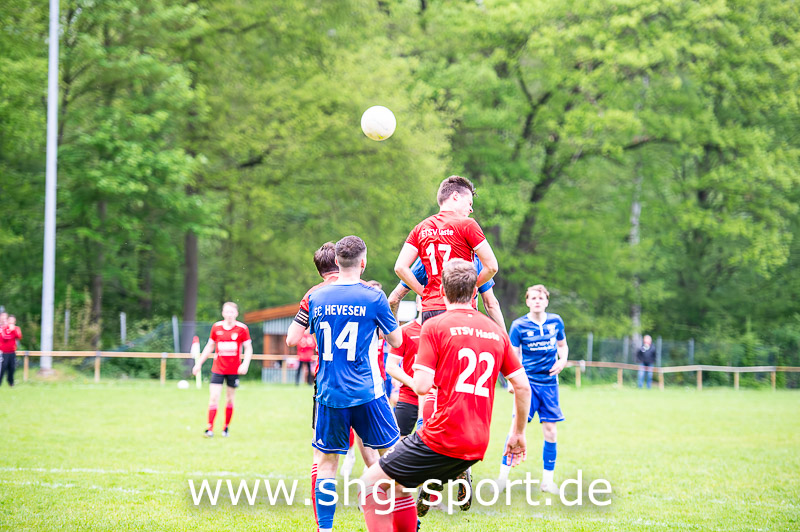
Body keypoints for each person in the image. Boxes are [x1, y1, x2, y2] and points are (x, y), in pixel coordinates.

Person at [359, 260, 532, 531]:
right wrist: (517, 433)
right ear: (475, 292)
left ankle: (434, 486)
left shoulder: (434, 326)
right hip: (477, 443)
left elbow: (421, 386)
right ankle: (446, 482)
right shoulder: (497, 332)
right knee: (399, 485)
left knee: (370, 483)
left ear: (441, 291)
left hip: (441, 436)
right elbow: (522, 386)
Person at [308, 235, 403, 532]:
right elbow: (396, 341)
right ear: (364, 263)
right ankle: (395, 519)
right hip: (367, 391)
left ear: (336, 261)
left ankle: (325, 529)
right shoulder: (373, 297)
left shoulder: (317, 297)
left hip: (329, 393)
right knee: (394, 459)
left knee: (327, 464)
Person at [394, 175, 499, 324]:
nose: (471, 209)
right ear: (455, 196)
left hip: (430, 308)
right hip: (460, 306)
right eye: (469, 203)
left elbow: (400, 267)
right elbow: (492, 267)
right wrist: (470, 287)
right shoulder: (467, 225)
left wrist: (424, 293)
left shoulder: (420, 227)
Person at [497, 284, 568, 495]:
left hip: (550, 385)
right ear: (527, 301)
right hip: (527, 385)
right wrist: (513, 382)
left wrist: (562, 361)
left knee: (551, 431)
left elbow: (562, 346)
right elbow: (513, 355)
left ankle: (547, 482)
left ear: (546, 301)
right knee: (515, 429)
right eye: (533, 298)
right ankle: (502, 479)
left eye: (541, 298)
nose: (537, 301)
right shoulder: (519, 325)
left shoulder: (556, 321)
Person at [388, 255, 505, 329]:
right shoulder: (474, 261)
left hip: (433, 323)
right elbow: (491, 304)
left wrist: (394, 336)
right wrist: (506, 343)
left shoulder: (427, 258)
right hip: (467, 325)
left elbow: (394, 299)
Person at [192, 302, 253, 438]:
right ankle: (210, 428)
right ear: (223, 313)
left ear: (236, 313)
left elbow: (248, 348)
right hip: (218, 369)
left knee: (229, 399)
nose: (229, 314)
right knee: (214, 397)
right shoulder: (216, 327)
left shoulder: (242, 329)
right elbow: (210, 346)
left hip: (233, 370)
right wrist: (199, 363)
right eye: (227, 312)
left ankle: (225, 428)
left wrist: (245, 364)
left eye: (232, 312)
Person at [385, 296, 423, 439]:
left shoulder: (442, 331)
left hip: (435, 398)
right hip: (409, 396)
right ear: (417, 304)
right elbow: (391, 366)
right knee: (398, 442)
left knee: (433, 444)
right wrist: (413, 384)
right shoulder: (405, 330)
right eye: (423, 300)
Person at [0, 314, 22, 387]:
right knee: (3, 367)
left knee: (12, 367)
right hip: (4, 352)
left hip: (12, 352)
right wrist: (10, 331)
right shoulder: (4, 328)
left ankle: (11, 382)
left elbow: (19, 336)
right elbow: (4, 337)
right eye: (10, 320)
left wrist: (13, 331)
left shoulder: (16, 329)